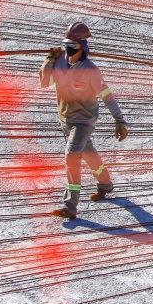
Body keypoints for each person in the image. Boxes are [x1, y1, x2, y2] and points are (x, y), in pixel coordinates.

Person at [39, 22, 128, 219]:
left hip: (84, 121)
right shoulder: (60, 61)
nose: (68, 47)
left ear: (83, 46)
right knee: (87, 153)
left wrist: (119, 120)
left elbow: (106, 94)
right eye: (67, 43)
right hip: (65, 119)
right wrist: (48, 60)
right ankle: (105, 185)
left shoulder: (91, 70)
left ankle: (70, 206)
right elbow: (45, 82)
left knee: (72, 155)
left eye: (73, 44)